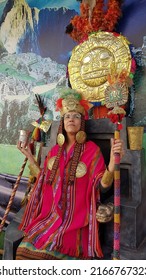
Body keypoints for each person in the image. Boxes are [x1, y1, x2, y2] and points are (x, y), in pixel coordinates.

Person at [16, 89, 124, 260]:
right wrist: (29, 156)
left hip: (76, 220)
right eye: (67, 116)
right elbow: (44, 178)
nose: (71, 119)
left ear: (81, 122)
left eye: (76, 116)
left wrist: (111, 165)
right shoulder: (54, 152)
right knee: (23, 253)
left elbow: (102, 187)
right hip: (50, 216)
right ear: (62, 123)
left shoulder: (92, 151)